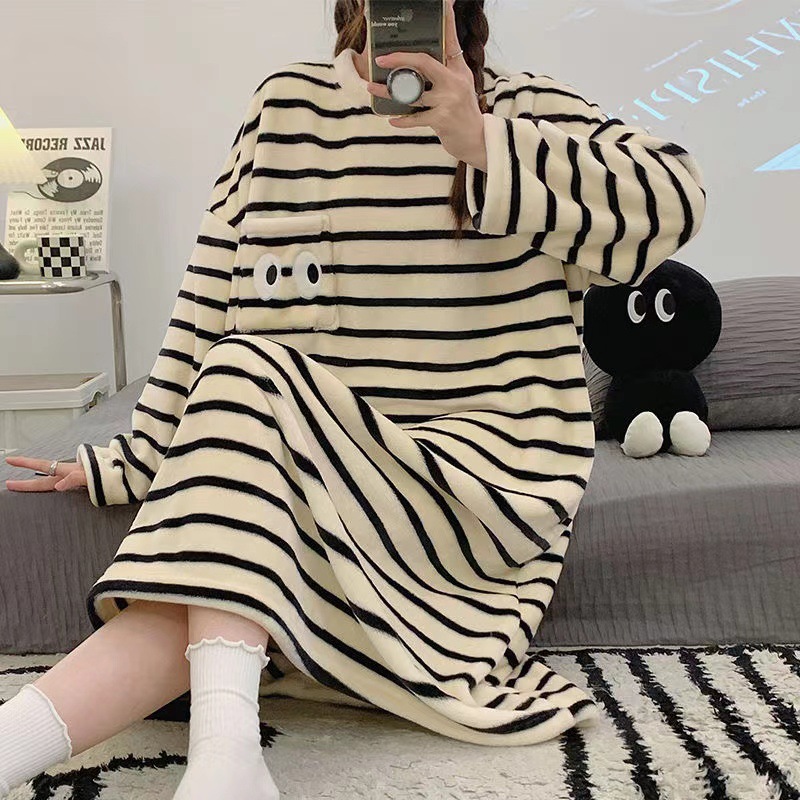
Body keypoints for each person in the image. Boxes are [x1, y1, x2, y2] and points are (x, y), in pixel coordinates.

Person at [1, 0, 707, 797]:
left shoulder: (524, 107)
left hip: (472, 497)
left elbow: (677, 201)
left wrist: (480, 139)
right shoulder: (286, 109)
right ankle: (213, 762)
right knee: (215, 548)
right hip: (314, 476)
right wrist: (134, 458)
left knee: (240, 415)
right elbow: (209, 298)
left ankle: (225, 759)